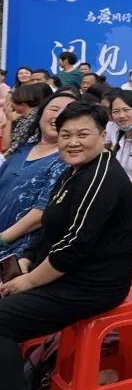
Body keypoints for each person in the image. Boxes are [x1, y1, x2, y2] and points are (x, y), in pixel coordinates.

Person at [0, 101, 132, 390]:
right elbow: (50, 225)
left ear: (103, 136)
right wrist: (25, 261)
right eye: (66, 134)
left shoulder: (102, 177)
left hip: (92, 285)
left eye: (83, 134)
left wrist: (29, 282)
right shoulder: (74, 171)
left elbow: (74, 246)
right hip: (63, 274)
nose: (73, 142)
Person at [0, 92, 74, 264]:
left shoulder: (67, 160)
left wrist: (4, 237)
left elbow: (42, 212)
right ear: (40, 114)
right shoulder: (23, 149)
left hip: (18, 249)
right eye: (54, 109)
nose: (59, 116)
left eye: (68, 111)